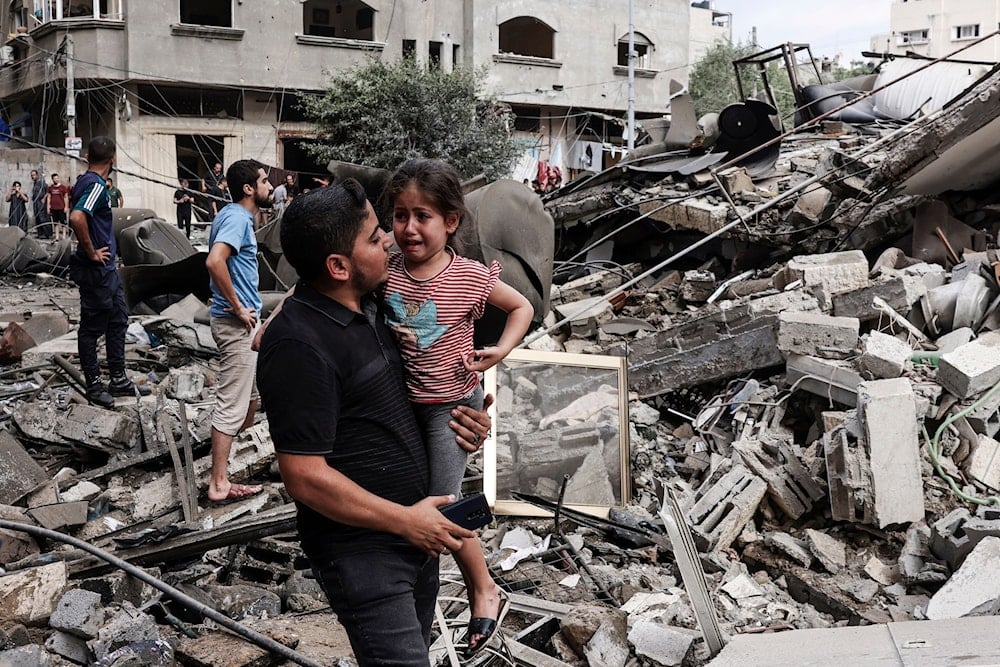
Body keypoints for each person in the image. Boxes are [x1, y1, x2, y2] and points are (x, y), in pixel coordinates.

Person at [256, 180, 493, 666]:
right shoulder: (298, 346)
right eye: (372, 236)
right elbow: (304, 476)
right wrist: (406, 520)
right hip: (365, 553)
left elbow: (429, 376)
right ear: (338, 266)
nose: (389, 238)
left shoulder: (377, 302)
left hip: (417, 535)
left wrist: (467, 417)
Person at [381, 158, 533, 656]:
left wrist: (503, 349)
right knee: (418, 502)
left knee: (440, 506)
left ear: (451, 221)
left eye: (422, 216)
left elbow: (522, 307)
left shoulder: (469, 277)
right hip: (405, 405)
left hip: (453, 407)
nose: (409, 228)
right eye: (400, 215)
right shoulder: (385, 271)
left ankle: (481, 587)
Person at [204, 160, 272, 503]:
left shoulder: (237, 217)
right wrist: (237, 306)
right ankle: (219, 483)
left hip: (243, 322)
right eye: (264, 181)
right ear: (249, 189)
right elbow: (214, 261)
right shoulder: (235, 217)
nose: (270, 187)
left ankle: (234, 465)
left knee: (249, 400)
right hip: (235, 324)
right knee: (232, 402)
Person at [67, 136, 145, 407]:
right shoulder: (97, 186)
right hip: (95, 270)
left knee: (118, 319)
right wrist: (91, 251)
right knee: (91, 328)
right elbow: (77, 217)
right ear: (113, 159)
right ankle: (94, 386)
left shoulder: (83, 181)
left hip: (106, 269)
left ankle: (119, 379)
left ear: (88, 156)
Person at [46, 173, 71, 240]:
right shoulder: (50, 188)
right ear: (52, 179)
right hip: (53, 208)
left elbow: (66, 197)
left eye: (57, 178)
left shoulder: (63, 187)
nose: (56, 180)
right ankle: (57, 236)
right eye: (54, 178)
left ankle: (63, 236)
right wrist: (48, 207)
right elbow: (49, 197)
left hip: (61, 207)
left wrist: (66, 207)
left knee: (63, 223)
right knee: (55, 223)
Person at [29, 170, 48, 238]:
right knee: (37, 218)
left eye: (33, 175)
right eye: (31, 175)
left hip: (41, 202)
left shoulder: (42, 183)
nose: (32, 177)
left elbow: (47, 191)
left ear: (37, 175)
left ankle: (47, 233)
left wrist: (44, 198)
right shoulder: (34, 183)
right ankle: (40, 234)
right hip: (35, 202)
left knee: (42, 217)